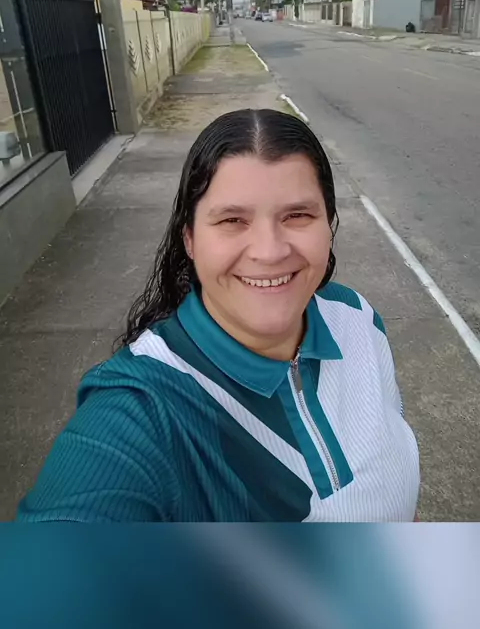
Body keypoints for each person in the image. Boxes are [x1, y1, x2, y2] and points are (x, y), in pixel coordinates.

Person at [17, 109, 419, 522]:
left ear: (328, 225)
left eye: (297, 215)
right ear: (190, 238)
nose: (270, 251)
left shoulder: (356, 317)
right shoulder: (142, 409)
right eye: (232, 220)